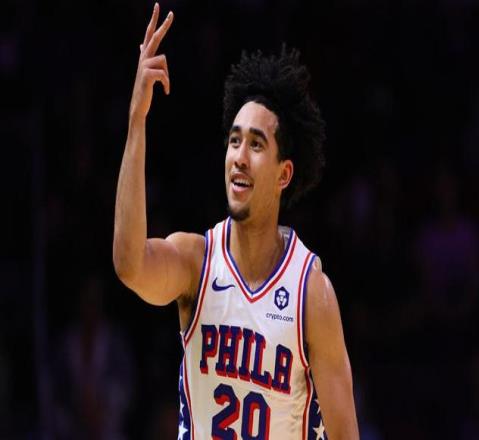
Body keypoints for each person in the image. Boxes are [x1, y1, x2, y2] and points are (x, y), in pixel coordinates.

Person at [113, 3, 359, 439]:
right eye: (234, 141)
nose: (239, 157)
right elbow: (130, 264)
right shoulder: (196, 262)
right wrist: (136, 120)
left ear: (284, 174)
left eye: (256, 145)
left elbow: (345, 434)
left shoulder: (311, 293)